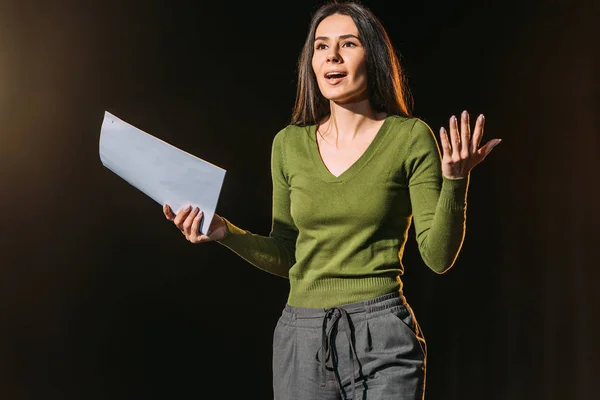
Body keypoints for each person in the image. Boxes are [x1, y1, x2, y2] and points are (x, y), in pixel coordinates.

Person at [163, 1, 501, 399]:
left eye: (348, 44)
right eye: (321, 47)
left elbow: (438, 257)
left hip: (382, 336)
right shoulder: (288, 145)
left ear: (371, 56)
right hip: (302, 340)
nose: (332, 56)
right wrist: (226, 232)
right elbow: (288, 254)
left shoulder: (409, 137)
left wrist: (455, 180)